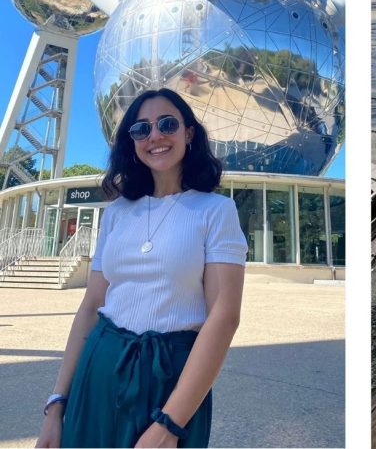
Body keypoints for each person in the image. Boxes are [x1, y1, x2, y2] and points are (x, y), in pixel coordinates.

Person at [36, 88, 247, 448]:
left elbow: (224, 317)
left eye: (167, 124)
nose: (155, 136)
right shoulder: (117, 212)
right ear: (130, 140)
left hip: (171, 380)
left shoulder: (215, 211)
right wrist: (56, 406)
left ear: (189, 133)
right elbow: (90, 307)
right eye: (141, 129)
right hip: (99, 369)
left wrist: (170, 424)